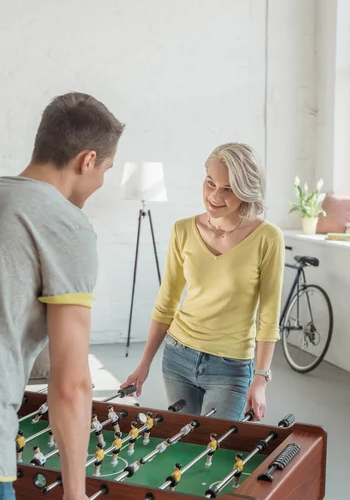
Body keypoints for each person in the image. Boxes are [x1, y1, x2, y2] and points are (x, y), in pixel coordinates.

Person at [0, 92, 124, 500]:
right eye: (106, 170)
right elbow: (70, 383)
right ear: (87, 159)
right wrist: (75, 495)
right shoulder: (66, 226)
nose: (101, 181)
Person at [121, 143, 284, 425]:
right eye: (211, 182)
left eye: (228, 189)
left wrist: (261, 380)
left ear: (246, 191)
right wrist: (143, 364)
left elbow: (269, 315)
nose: (214, 195)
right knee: (181, 448)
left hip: (231, 367)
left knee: (214, 451)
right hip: (178, 356)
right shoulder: (183, 230)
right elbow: (167, 302)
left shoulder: (268, 238)